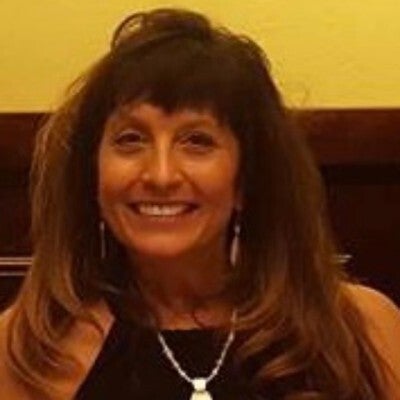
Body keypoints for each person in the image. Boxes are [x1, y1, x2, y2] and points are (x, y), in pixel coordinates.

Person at [0, 8, 399, 400]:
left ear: (247, 178)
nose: (160, 175)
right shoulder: (29, 351)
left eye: (197, 141)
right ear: (92, 173)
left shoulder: (362, 330)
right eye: (130, 140)